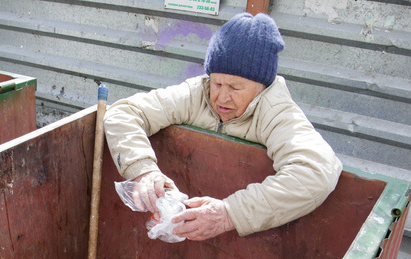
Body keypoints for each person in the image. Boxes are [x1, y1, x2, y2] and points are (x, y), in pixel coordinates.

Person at [104, 12, 342, 240]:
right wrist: (143, 170)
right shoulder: (197, 93)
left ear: (262, 87)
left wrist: (230, 213)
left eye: (236, 88)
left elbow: (316, 172)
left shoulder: (276, 111)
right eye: (217, 83)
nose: (222, 98)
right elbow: (123, 112)